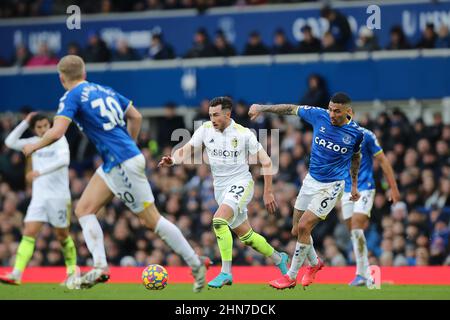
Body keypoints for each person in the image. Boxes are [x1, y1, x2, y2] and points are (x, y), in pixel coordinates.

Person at [22, 55, 210, 292]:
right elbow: (136, 116)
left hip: (122, 161)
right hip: (119, 160)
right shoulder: (104, 90)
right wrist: (127, 147)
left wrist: (33, 146)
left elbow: (57, 131)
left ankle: (195, 262)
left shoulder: (71, 96)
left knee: (152, 219)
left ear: (61, 78)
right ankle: (100, 266)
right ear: (84, 73)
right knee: (84, 209)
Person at [158, 96, 289, 288]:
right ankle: (279, 258)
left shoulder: (244, 134)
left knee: (218, 220)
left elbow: (267, 161)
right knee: (247, 236)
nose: (212, 118)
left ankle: (226, 272)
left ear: (228, 114)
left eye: (216, 115)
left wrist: (268, 191)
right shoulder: (205, 130)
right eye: (210, 115)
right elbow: (186, 149)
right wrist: (173, 159)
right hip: (220, 189)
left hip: (241, 183)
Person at [248, 92, 364, 289]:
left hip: (332, 186)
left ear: (348, 111)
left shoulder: (356, 133)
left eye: (337, 111)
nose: (332, 114)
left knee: (304, 226)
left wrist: (353, 184)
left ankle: (291, 275)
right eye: (330, 109)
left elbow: (355, 157)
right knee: (297, 230)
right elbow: (290, 108)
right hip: (311, 180)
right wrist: (262, 107)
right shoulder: (319, 115)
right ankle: (315, 262)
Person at [0, 112, 77, 287]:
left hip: (59, 197)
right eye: (39, 127)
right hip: (39, 197)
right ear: (34, 129)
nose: (43, 130)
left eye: (45, 126)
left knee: (62, 236)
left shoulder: (59, 139)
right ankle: (16, 274)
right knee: (28, 232)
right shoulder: (32, 142)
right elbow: (9, 142)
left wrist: (39, 172)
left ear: (50, 126)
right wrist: (25, 122)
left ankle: (72, 272)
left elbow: (64, 161)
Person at [341, 109, 400, 287]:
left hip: (365, 187)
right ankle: (362, 273)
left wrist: (393, 187)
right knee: (352, 230)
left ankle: (364, 274)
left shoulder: (366, 135)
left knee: (357, 226)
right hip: (345, 190)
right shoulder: (333, 136)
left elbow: (383, 160)